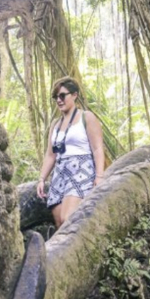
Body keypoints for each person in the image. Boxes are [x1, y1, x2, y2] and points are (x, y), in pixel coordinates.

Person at [36, 77, 105, 228]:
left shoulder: (86, 117)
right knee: (59, 223)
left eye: (62, 96)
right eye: (55, 97)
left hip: (80, 170)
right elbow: (50, 155)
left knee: (68, 218)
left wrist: (99, 176)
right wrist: (42, 179)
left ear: (74, 95)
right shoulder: (55, 124)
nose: (59, 100)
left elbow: (97, 148)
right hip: (60, 173)